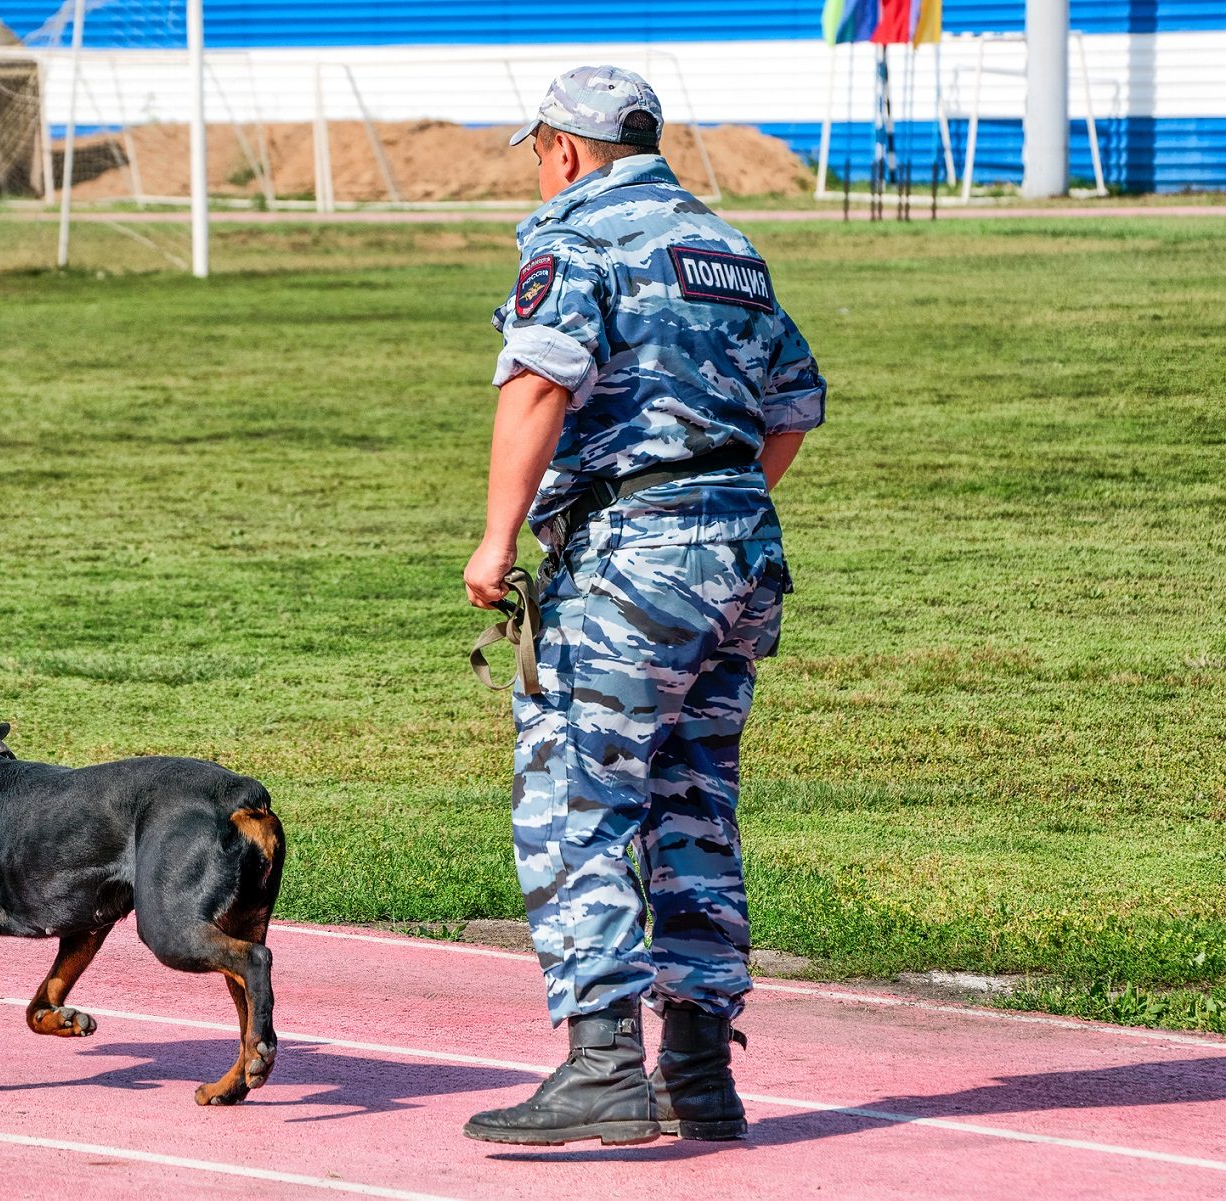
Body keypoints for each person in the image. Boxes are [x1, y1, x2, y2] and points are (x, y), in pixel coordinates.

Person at [460, 65, 826, 1148]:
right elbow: (796, 404)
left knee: (576, 794)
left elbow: (538, 381)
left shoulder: (577, 238)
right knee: (693, 800)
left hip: (631, 560)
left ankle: (605, 1066)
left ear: (566, 151)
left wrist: (497, 538)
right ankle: (699, 1072)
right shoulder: (728, 247)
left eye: (539, 152)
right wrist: (719, 503)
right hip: (739, 557)